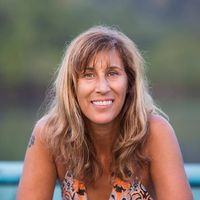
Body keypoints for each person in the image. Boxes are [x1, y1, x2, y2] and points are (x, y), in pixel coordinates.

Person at [16, 25, 193, 200]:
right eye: (88, 75)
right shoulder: (49, 134)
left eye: (112, 73)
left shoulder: (155, 132)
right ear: (72, 85)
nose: (102, 87)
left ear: (129, 83)